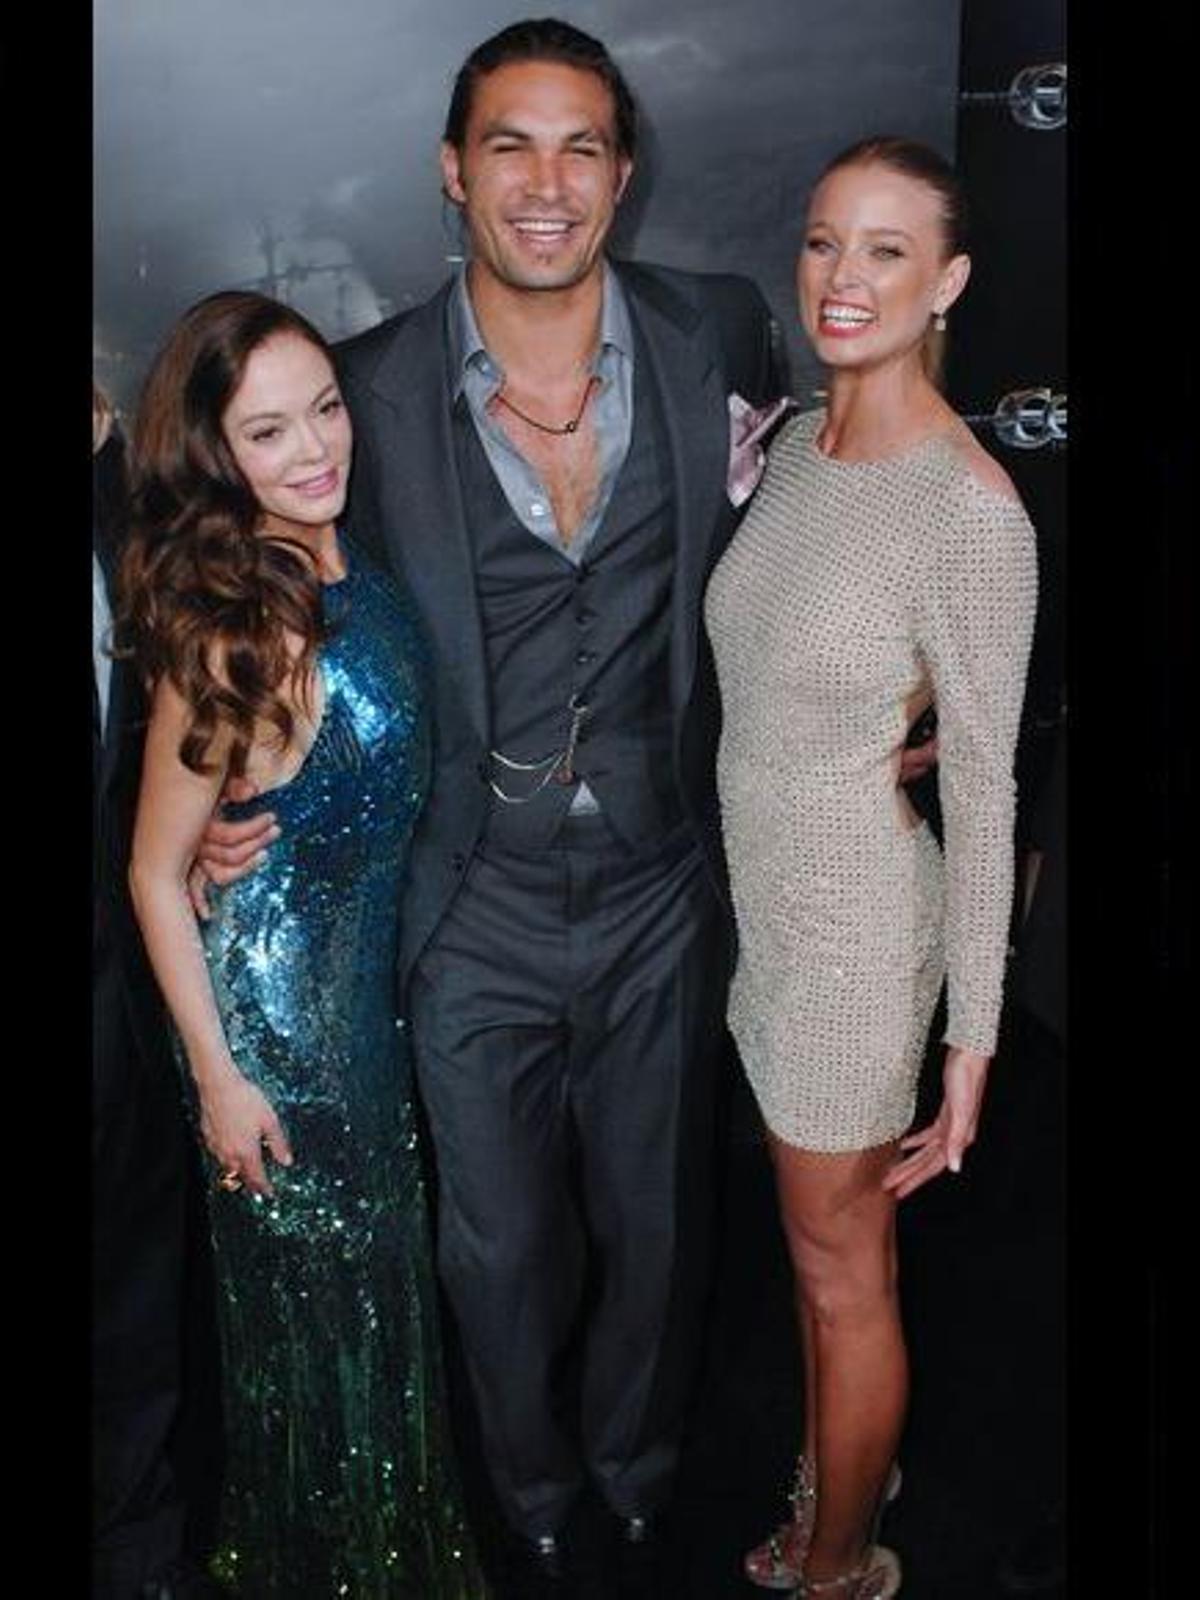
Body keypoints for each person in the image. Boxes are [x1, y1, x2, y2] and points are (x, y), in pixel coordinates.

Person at [191, 19, 786, 1592]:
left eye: (581, 145)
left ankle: (638, 1471)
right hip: (469, 897)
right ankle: (528, 1487)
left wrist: (879, 691)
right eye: (508, 145)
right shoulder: (367, 389)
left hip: (663, 877)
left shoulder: (719, 331)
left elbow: (798, 518)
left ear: (624, 172)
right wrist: (212, 802)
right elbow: (260, 585)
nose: (546, 182)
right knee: (501, 1242)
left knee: (662, 1221)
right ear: (452, 174)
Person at [705, 138, 1037, 1598]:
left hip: (853, 942)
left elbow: (986, 781)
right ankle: (849, 1456)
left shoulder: (970, 510)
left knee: (843, 1273)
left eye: (888, 250)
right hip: (768, 923)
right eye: (827, 240)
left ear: (948, 281)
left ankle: (840, 1558)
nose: (845, 276)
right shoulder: (795, 449)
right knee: (818, 1252)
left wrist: (973, 1037)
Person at [118, 292, 488, 1598]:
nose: (316, 447)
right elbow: (153, 871)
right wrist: (220, 1081)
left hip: (360, 1030)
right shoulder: (242, 628)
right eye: (268, 431)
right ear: (217, 455)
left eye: (324, 408)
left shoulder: (344, 565)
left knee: (371, 1326)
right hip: (274, 1049)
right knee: (317, 1343)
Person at [94, 384, 220, 1600]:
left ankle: (139, 1553)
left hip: (116, 993)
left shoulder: (128, 498)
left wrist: (204, 819)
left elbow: (163, 732)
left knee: (134, 1291)